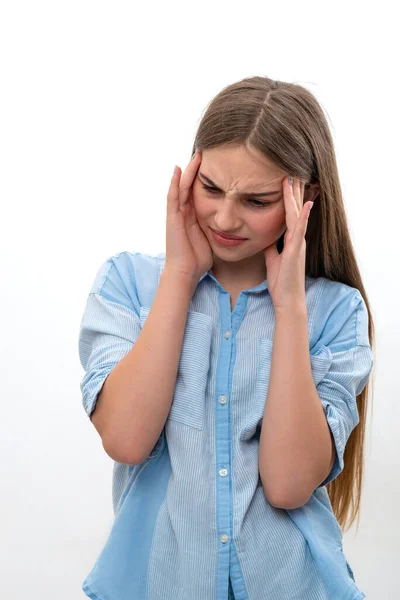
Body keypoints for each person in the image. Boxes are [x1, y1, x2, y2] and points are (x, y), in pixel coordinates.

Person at [78, 76, 374, 600]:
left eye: (257, 200)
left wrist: (289, 310)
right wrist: (179, 275)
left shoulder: (334, 312)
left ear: (304, 199)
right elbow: (124, 439)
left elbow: (286, 483)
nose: (225, 217)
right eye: (211, 187)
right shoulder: (129, 285)